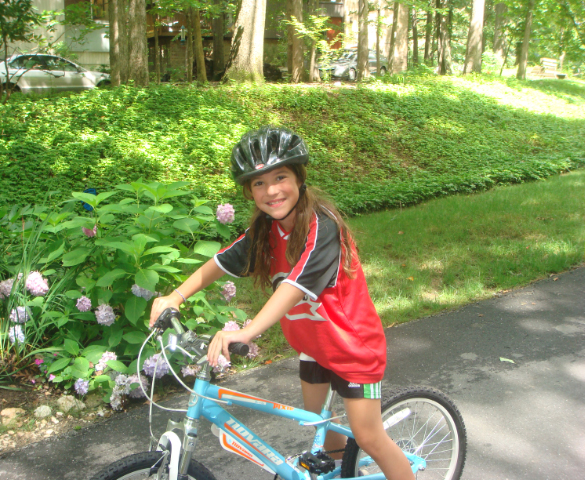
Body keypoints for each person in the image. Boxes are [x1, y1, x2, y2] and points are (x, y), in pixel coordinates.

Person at [149, 126, 415, 480]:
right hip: (314, 346)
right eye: (259, 183)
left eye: (280, 177)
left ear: (299, 178)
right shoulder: (265, 230)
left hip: (354, 349)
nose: (271, 190)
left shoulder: (324, 227)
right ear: (249, 191)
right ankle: (341, 473)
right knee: (319, 425)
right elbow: (222, 261)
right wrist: (175, 296)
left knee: (368, 437)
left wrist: (246, 332)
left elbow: (293, 287)